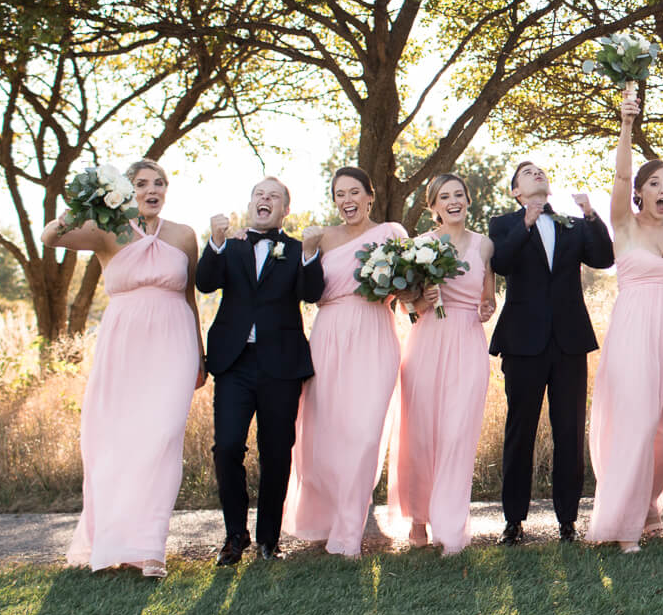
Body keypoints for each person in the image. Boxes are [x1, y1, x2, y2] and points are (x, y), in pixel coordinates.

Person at [43, 160, 203, 578]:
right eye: (141, 184)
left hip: (175, 346)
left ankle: (151, 548)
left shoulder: (183, 235)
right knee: (117, 443)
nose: (152, 190)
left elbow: (189, 297)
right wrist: (83, 204)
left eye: (159, 183)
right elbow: (49, 237)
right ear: (126, 191)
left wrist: (200, 354)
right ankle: (114, 541)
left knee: (163, 439)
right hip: (124, 349)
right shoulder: (105, 231)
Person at [585, 89, 663, 551]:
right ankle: (626, 521)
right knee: (636, 424)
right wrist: (626, 124)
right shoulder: (624, 223)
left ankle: (649, 499)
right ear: (640, 191)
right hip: (634, 330)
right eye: (655, 183)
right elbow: (620, 172)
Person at [488, 157, 614, 543]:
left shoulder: (573, 224)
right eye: (527, 173)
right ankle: (513, 520)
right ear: (515, 191)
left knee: (570, 431)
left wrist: (592, 215)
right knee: (520, 431)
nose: (538, 174)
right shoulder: (503, 225)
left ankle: (568, 519)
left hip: (570, 341)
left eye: (541, 171)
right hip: (523, 343)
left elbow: (604, 258)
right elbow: (503, 262)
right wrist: (525, 224)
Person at [198, 177, 324, 565]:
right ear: (250, 204)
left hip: (282, 365)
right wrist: (215, 243)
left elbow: (311, 293)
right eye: (259, 195)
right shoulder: (230, 245)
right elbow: (205, 283)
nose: (265, 200)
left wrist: (310, 254)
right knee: (228, 447)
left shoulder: (295, 249)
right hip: (234, 364)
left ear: (286, 210)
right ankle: (235, 536)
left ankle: (269, 540)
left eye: (274, 197)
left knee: (276, 452)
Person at [280, 167, 404, 557]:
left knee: (366, 434)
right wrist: (307, 253)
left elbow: (411, 285)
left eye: (354, 192)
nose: (347, 200)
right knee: (327, 431)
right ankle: (327, 519)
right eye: (339, 194)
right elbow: (308, 292)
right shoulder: (321, 237)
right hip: (329, 333)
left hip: (375, 331)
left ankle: (350, 531)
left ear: (370, 195)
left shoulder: (392, 234)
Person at [393, 174, 497, 554]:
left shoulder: (485, 245)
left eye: (459, 195)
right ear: (433, 207)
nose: (453, 202)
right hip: (427, 341)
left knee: (457, 433)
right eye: (444, 197)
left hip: (468, 341)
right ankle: (420, 518)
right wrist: (422, 299)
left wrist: (487, 309)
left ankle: (450, 522)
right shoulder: (419, 245)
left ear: (468, 200)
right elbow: (406, 303)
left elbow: (489, 297)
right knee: (421, 431)